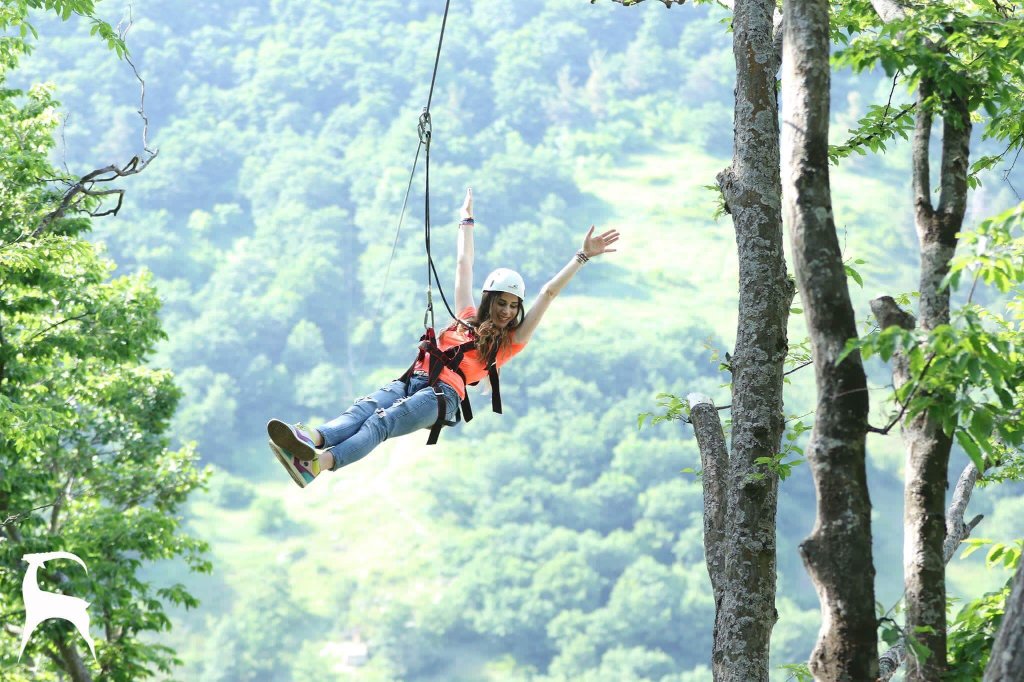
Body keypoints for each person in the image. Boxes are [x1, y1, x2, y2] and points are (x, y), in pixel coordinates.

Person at [266, 188, 620, 487]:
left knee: (380, 423)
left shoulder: (511, 341)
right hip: (416, 377)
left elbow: (548, 293)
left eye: (514, 306)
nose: (508, 311)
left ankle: (318, 465)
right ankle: (308, 440)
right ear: (489, 300)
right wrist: (465, 221)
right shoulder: (465, 316)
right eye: (502, 302)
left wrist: (582, 256)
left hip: (444, 395)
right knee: (363, 409)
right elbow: (463, 265)